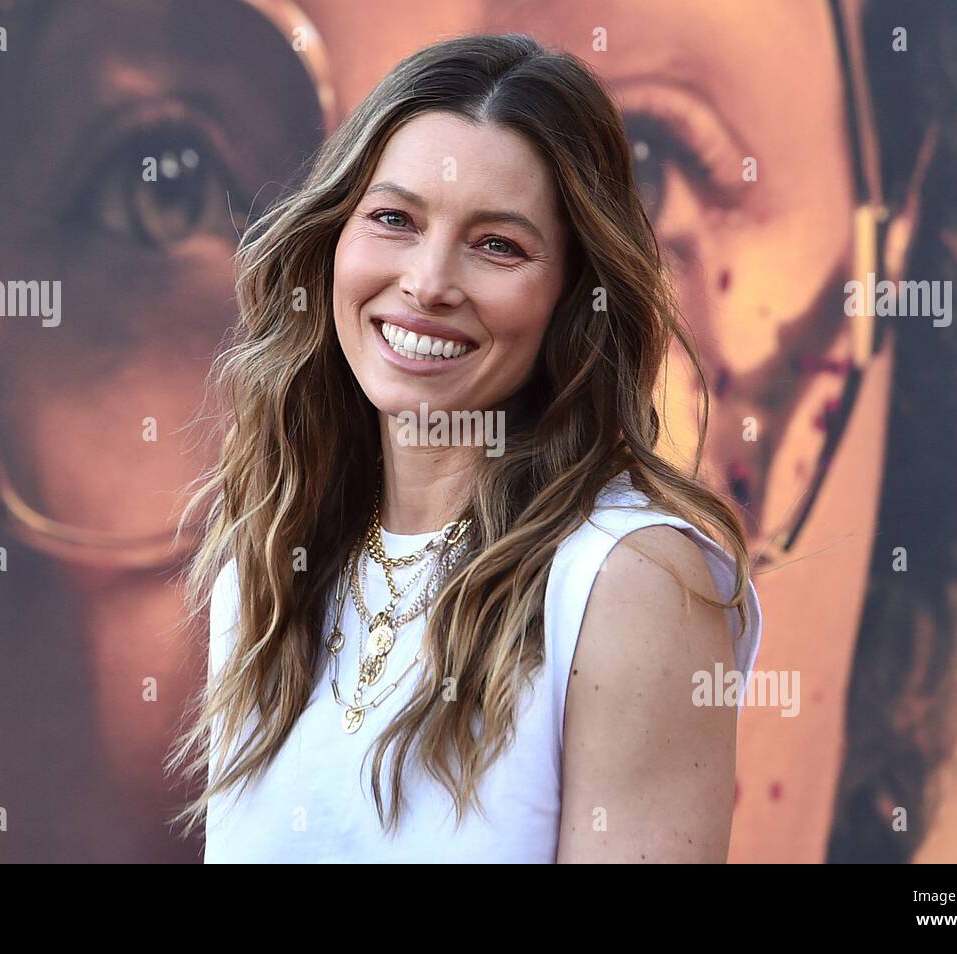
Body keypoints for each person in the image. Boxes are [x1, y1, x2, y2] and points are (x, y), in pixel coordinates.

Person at [166, 33, 763, 863]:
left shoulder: (626, 580)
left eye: (498, 245)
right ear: (334, 239)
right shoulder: (268, 562)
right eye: (394, 220)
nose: (429, 281)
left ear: (571, 298)